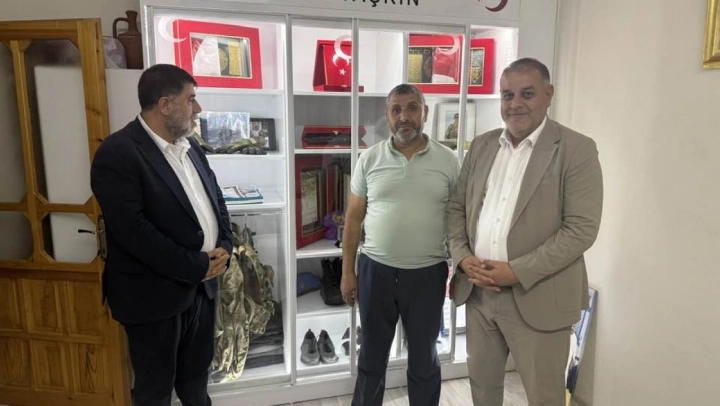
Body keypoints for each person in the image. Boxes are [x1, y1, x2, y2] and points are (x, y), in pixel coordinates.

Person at [446, 57, 603, 406]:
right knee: (483, 390)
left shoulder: (576, 150)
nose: (515, 103)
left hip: (539, 296)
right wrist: (463, 257)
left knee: (544, 397)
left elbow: (581, 230)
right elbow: (456, 209)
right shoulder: (482, 146)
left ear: (549, 94)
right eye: (507, 95)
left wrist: (516, 271)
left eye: (527, 94)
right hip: (478, 294)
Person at [91, 64, 233, 406]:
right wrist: (197, 265)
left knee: (196, 384)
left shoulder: (191, 147)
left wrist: (225, 245)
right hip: (152, 297)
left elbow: (217, 201)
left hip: (201, 291)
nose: (198, 109)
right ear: (165, 105)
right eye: (191, 100)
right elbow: (134, 233)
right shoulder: (118, 153)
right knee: (155, 392)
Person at [340, 84, 460, 406]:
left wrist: (460, 266)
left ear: (425, 112)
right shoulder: (369, 159)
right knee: (371, 358)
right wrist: (347, 272)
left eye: (411, 108)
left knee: (424, 359)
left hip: (427, 274)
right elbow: (353, 219)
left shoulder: (449, 161)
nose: (404, 117)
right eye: (396, 110)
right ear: (387, 115)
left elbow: (459, 218)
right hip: (375, 272)